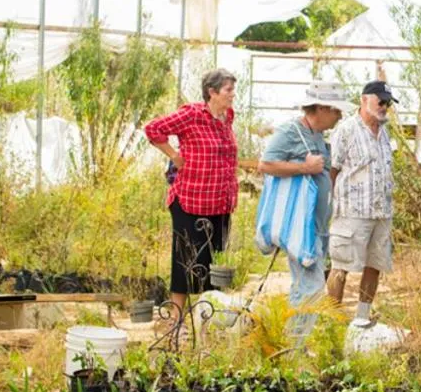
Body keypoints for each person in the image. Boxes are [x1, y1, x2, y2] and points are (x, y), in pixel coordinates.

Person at [144, 68, 239, 314]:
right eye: (228, 90)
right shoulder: (192, 115)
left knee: (214, 262)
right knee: (186, 259)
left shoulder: (227, 117)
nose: (233, 95)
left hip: (220, 202)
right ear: (212, 92)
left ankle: (207, 314)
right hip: (191, 200)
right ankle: (176, 318)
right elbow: (153, 129)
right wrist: (174, 155)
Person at [257, 82, 355, 309]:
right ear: (321, 108)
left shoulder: (318, 135)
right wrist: (304, 168)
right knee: (310, 288)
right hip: (301, 228)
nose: (339, 116)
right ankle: (296, 341)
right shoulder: (290, 131)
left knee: (309, 286)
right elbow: (265, 165)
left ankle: (298, 339)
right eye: (336, 110)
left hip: (317, 228)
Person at [327, 80, 396, 327]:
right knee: (341, 266)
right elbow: (332, 170)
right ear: (364, 99)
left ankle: (362, 317)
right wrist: (328, 207)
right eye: (381, 101)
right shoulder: (345, 130)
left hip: (381, 211)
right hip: (351, 212)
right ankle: (332, 322)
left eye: (388, 102)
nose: (385, 106)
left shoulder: (384, 132)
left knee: (375, 264)